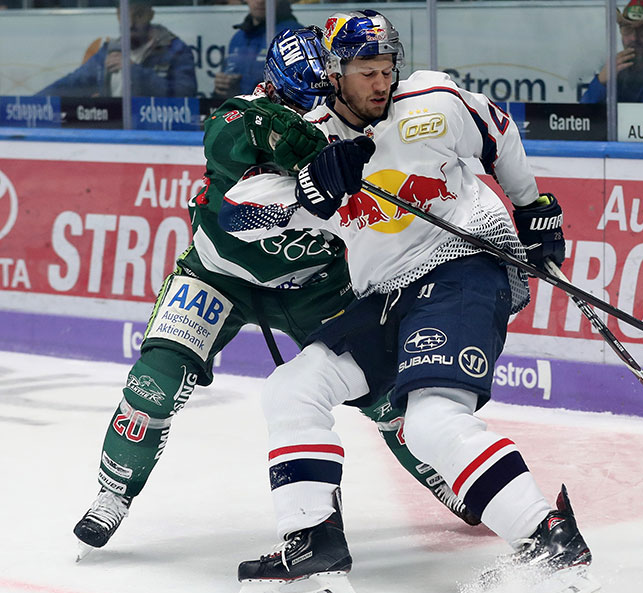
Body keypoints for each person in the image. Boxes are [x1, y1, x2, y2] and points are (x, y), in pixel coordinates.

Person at [221, 10, 600, 593]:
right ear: (334, 73)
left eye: (386, 68)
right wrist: (306, 193)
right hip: (386, 296)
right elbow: (236, 216)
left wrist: (532, 205)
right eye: (365, 71)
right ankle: (313, 546)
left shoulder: (433, 99)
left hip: (462, 264)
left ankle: (549, 540)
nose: (381, 82)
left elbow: (497, 129)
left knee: (429, 421)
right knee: (291, 389)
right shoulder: (308, 137)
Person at [72, 27, 477, 561]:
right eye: (297, 98)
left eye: (320, 95)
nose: (311, 110)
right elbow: (237, 181)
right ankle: (113, 491)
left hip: (316, 283)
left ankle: (444, 474)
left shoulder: (367, 120)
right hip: (218, 276)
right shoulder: (239, 119)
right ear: (275, 85)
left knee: (384, 390)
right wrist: (306, 169)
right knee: (157, 379)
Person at [36, 0, 197, 98]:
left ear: (150, 15)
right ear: (118, 16)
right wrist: (31, 103)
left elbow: (185, 95)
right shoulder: (110, 50)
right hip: (114, 133)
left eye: (138, 15)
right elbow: (72, 83)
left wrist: (134, 71)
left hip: (159, 135)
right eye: (125, 15)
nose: (131, 23)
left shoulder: (175, 50)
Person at [212, 0, 303, 100]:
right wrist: (223, 88)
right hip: (242, 111)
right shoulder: (238, 38)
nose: (260, 1)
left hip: (273, 113)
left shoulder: (293, 37)